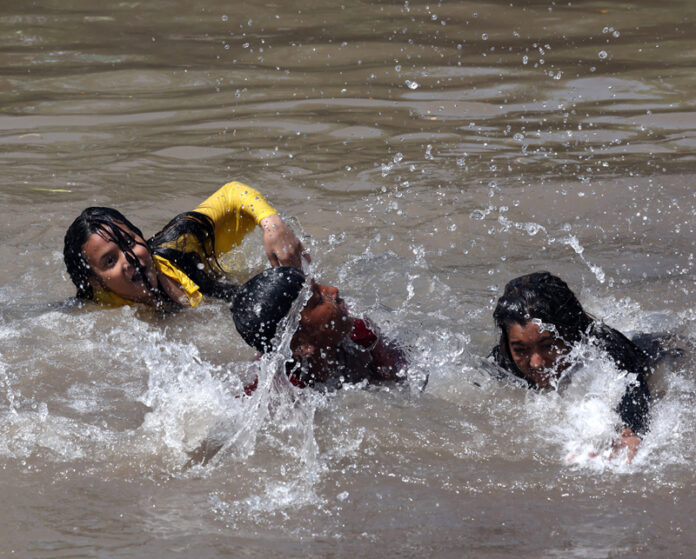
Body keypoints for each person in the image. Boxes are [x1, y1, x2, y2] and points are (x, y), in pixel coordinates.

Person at [489, 271, 653, 462]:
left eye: (548, 346)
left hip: (652, 348)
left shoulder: (607, 354)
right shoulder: (503, 361)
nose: (536, 363)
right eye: (521, 349)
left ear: (573, 334)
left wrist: (628, 431)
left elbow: (633, 392)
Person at [63, 181, 307, 309]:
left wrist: (274, 226)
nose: (130, 259)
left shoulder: (180, 243)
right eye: (110, 261)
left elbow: (234, 193)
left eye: (129, 242)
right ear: (96, 281)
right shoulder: (98, 310)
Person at [231, 267, 407, 390]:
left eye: (318, 286)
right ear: (301, 345)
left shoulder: (360, 331)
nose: (333, 290)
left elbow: (399, 380)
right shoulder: (282, 391)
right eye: (319, 300)